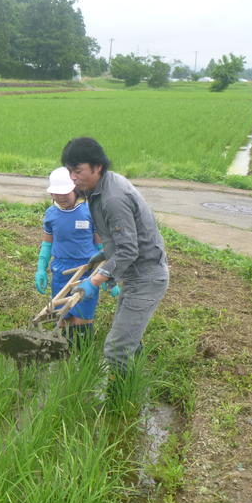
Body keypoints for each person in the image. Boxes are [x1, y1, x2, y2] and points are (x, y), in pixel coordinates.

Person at [61, 137, 169, 374]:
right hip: (135, 274)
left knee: (117, 349)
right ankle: (137, 385)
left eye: (77, 171)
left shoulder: (113, 198)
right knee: (129, 341)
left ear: (97, 166)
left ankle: (119, 396)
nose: (73, 178)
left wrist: (94, 281)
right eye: (69, 171)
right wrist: (104, 254)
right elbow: (122, 239)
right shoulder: (99, 187)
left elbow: (129, 250)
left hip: (147, 277)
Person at [35, 166, 117, 344]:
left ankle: (81, 354)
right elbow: (47, 244)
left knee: (81, 318)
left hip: (86, 269)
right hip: (60, 270)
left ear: (75, 189)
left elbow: (101, 245)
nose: (61, 198)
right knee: (62, 317)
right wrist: (41, 268)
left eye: (65, 193)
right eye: (57, 194)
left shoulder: (90, 211)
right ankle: (63, 354)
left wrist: (108, 273)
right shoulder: (51, 214)